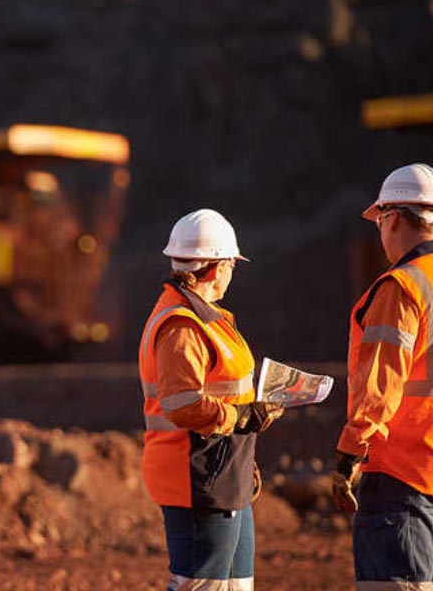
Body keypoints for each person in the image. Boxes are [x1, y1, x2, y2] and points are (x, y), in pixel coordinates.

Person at [138, 208, 283, 591]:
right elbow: (181, 403)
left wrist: (248, 425)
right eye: (232, 265)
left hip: (221, 472)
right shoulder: (181, 325)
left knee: (234, 586)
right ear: (219, 268)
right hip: (196, 478)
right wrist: (241, 418)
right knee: (200, 585)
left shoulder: (206, 318)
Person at [332, 163, 433, 590]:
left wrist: (349, 451)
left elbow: (380, 388)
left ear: (395, 218)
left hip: (402, 472)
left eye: (381, 220)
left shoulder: (402, 287)